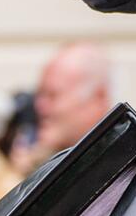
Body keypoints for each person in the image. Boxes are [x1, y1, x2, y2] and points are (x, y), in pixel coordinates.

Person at [16, 42, 111, 173]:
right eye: (40, 94)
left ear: (98, 97)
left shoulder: (132, 168)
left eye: (52, 95)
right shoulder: (39, 165)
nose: (39, 106)